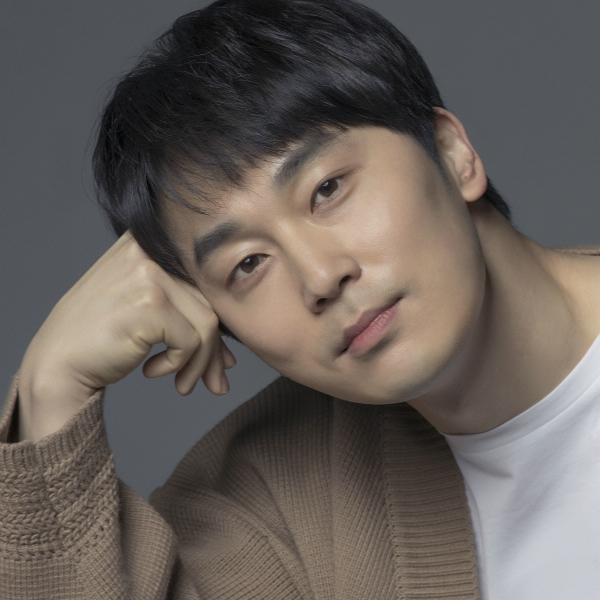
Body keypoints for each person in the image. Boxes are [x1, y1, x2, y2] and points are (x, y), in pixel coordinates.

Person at [1, 0, 599, 598]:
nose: (320, 277)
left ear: (451, 152)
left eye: (327, 190)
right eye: (248, 264)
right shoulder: (260, 509)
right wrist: (50, 390)